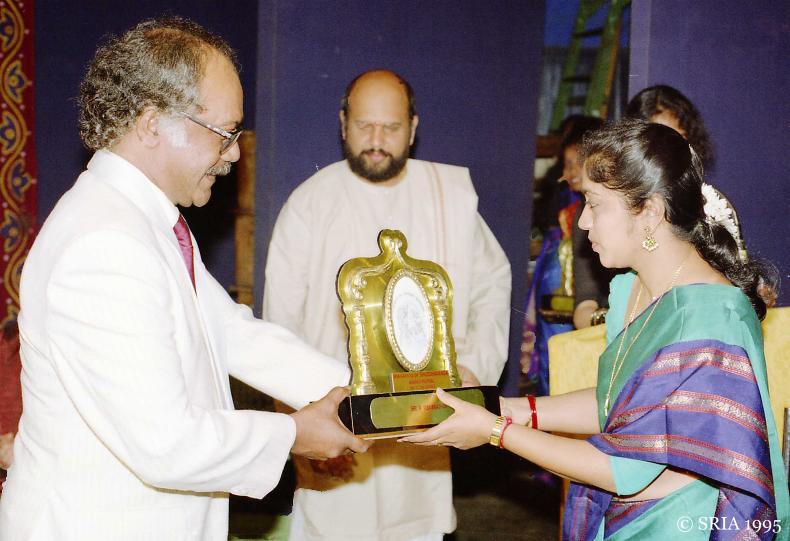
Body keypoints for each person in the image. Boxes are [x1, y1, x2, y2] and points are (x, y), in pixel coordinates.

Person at [0, 17, 369, 541]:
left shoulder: (145, 219)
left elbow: (233, 334)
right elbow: (164, 441)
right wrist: (293, 434)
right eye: (224, 133)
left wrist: (371, 399)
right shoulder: (103, 242)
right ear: (152, 124)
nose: (235, 152)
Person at [403, 119, 789, 540]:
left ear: (650, 212)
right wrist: (507, 409)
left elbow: (622, 468)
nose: (583, 221)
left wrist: (494, 431)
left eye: (595, 203)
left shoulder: (711, 320)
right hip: (622, 515)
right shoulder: (633, 289)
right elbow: (617, 401)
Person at [263, 69, 511, 540]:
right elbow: (280, 326)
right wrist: (301, 429)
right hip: (336, 422)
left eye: (391, 128)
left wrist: (473, 369)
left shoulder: (448, 197)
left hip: (424, 425)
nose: (376, 141)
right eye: (364, 126)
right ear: (343, 123)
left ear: (413, 128)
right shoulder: (310, 203)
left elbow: (492, 284)